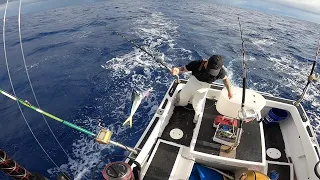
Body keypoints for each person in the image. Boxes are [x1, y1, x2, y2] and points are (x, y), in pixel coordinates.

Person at [171, 55, 233, 123]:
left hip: (204, 86)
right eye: (209, 68)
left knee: (197, 104)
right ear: (207, 61)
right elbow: (183, 69)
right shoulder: (197, 63)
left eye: (213, 71)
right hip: (193, 81)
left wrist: (229, 91)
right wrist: (177, 70)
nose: (210, 72)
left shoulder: (221, 72)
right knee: (183, 95)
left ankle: (197, 116)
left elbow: (225, 79)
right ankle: (181, 104)